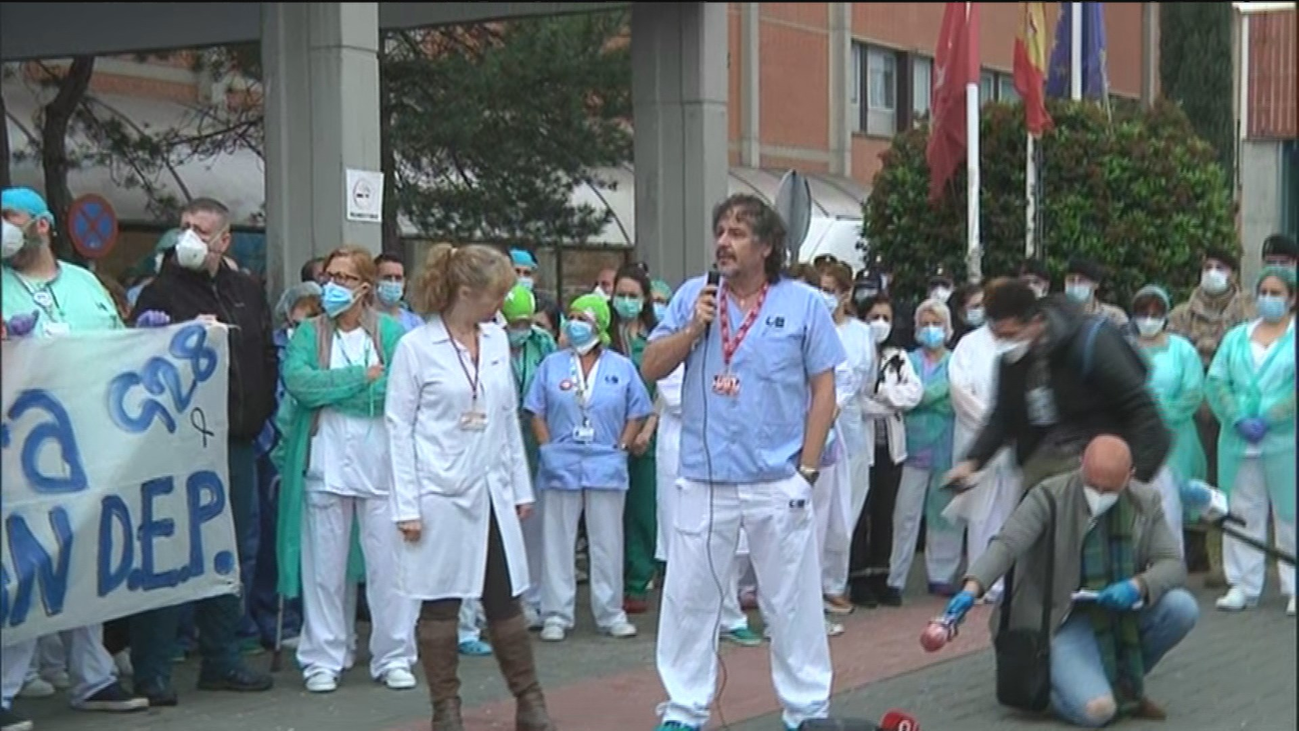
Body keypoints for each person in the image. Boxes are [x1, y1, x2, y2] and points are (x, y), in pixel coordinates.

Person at [641, 193, 844, 731]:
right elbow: (650, 366)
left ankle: (807, 710)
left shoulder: (803, 304)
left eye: (737, 233)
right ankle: (684, 710)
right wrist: (693, 329)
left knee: (791, 603)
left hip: (776, 480)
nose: (724, 243)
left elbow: (825, 390)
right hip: (705, 478)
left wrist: (806, 471)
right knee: (689, 600)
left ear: (767, 245)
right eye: (720, 233)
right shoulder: (694, 296)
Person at [385, 243, 554, 731]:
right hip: (438, 491)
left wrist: (520, 487)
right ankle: (446, 708)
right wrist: (406, 506)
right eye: (495, 295)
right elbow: (398, 427)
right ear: (465, 292)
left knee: (504, 596)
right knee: (439, 601)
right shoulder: (417, 347)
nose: (502, 304)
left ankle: (530, 700)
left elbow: (506, 416)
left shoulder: (497, 341)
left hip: (490, 487)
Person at [1, 189, 145, 731]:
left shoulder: (85, 284)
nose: (2, 227)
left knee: (85, 559)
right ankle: (5, 685)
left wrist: (152, 340)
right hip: (19, 452)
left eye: (9, 216)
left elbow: (118, 350)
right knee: (24, 564)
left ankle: (93, 676)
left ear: (41, 225)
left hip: (86, 446)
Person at [128, 197, 277, 703]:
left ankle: (221, 657)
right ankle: (152, 668)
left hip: (235, 440)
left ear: (224, 240)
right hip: (179, 444)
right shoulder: (161, 292)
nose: (188, 237)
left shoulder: (246, 291)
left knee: (228, 552)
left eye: (201, 229)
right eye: (184, 226)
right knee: (170, 550)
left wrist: (259, 414)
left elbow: (265, 354)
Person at [943, 435, 1196, 727]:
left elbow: (1172, 563)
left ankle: (1120, 682)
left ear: (1130, 476)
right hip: (1058, 622)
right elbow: (1007, 544)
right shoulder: (1049, 496)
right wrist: (972, 588)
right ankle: (1051, 690)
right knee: (1098, 712)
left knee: (1182, 608)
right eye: (1093, 485)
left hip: (1116, 614)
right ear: (1080, 465)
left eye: (1109, 489)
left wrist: (1137, 586)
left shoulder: (1145, 502)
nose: (1099, 495)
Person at [271, 246, 416, 693]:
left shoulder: (390, 333)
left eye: (344, 278)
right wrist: (358, 379)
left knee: (389, 567)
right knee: (324, 568)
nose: (332, 285)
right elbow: (300, 384)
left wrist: (335, 392)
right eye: (329, 277)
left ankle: (393, 656)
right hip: (325, 463)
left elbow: (397, 389)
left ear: (364, 287)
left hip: (381, 467)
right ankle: (323, 657)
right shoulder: (308, 333)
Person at [946, 278, 1170, 496]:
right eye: (1000, 337)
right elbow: (1005, 415)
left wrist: (1130, 482)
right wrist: (972, 461)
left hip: (1101, 468)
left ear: (1036, 321)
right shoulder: (1013, 361)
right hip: (1042, 471)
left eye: (1012, 335)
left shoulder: (1092, 342)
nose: (1007, 344)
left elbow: (1144, 414)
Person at [526, 294, 651, 641]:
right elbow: (535, 409)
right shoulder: (552, 365)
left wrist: (623, 445)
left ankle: (610, 612)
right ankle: (555, 613)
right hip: (561, 460)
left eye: (583, 318)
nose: (574, 324)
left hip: (605, 460)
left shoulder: (620, 367)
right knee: (557, 538)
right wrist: (547, 447)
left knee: (607, 540)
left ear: (599, 324)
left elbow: (637, 410)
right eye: (572, 316)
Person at [1205, 267, 1296, 616]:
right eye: (1264, 292)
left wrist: (1273, 416)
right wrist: (1236, 416)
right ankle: (1243, 584)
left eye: (1276, 293)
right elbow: (1217, 380)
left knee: (1290, 512)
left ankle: (1294, 584)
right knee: (1242, 511)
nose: (1268, 299)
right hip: (1239, 441)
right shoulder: (1236, 337)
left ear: (1292, 298)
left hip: (1285, 440)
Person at [1167, 247, 1255, 585]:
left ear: (1233, 273)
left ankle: (1233, 560)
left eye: (1220, 267)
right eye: (1207, 266)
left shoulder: (1249, 309)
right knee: (1194, 476)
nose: (1212, 273)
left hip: (1236, 403)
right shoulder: (1181, 313)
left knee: (1233, 483)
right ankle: (1195, 552)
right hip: (1193, 407)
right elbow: (1175, 354)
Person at [946, 286, 1020, 604]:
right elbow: (960, 390)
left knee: (1012, 509)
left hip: (1015, 440)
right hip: (977, 437)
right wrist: (994, 423)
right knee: (979, 513)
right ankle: (979, 579)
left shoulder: (1021, 342)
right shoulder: (968, 344)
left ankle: (1008, 580)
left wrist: (1010, 423)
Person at [888, 298, 962, 599]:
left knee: (945, 513)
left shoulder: (958, 361)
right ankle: (895, 577)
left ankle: (942, 575)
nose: (931, 329)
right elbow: (900, 397)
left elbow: (955, 397)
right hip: (911, 447)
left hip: (947, 445)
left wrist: (921, 398)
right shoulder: (905, 360)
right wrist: (935, 395)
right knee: (904, 514)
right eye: (925, 324)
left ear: (948, 328)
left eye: (937, 324)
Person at [851, 294, 921, 607]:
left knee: (884, 513)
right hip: (861, 447)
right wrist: (888, 402)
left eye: (886, 318)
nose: (880, 324)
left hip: (891, 450)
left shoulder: (898, 356)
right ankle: (858, 578)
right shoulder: (855, 352)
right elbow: (857, 401)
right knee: (860, 514)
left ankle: (881, 576)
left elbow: (913, 393)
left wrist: (883, 394)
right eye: (874, 317)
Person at [816, 260, 876, 616]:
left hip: (851, 428)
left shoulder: (862, 333)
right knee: (818, 512)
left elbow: (866, 381)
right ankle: (810, 586)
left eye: (830, 290)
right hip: (816, 426)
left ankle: (834, 583)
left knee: (846, 513)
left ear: (845, 293)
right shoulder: (812, 327)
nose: (825, 297)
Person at [1131, 285, 1207, 558]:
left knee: (1169, 508)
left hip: (1175, 440)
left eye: (1155, 314)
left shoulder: (1182, 350)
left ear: (1165, 315)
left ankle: (1170, 565)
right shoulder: (1124, 347)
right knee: (1134, 509)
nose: (1149, 320)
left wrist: (1159, 412)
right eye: (1143, 313)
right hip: (1132, 437)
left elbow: (1193, 392)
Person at [502, 284, 558, 628]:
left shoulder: (543, 343)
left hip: (536, 442)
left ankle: (533, 597)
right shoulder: (488, 341)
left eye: (525, 322)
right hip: (499, 444)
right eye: (514, 323)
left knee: (534, 528)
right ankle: (498, 602)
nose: (520, 330)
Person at [608, 265, 663, 615]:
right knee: (608, 516)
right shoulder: (603, 336)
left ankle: (638, 581)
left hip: (644, 436)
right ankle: (609, 583)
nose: (626, 301)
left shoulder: (655, 339)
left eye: (633, 296)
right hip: (606, 436)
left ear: (644, 300)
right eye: (621, 295)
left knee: (641, 512)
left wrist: (647, 430)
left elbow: (663, 391)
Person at [1063, 257, 1128, 327]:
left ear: (1095, 285)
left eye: (1082, 280)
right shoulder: (1057, 314)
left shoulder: (1113, 316)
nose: (1076, 284)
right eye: (1071, 280)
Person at [374, 253, 424, 332]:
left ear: (404, 282)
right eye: (387, 277)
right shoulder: (365, 320)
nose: (393, 282)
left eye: (398, 278)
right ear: (374, 280)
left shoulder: (415, 323)